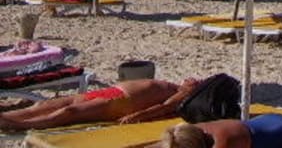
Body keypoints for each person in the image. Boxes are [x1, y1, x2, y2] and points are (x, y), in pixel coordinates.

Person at [0, 77, 202, 130]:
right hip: (113, 91)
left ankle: (21, 124)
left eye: (198, 82)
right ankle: (7, 117)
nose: (194, 79)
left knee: (70, 111)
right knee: (47, 105)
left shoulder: (184, 94)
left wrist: (137, 116)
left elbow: (164, 107)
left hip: (121, 102)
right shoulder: (176, 85)